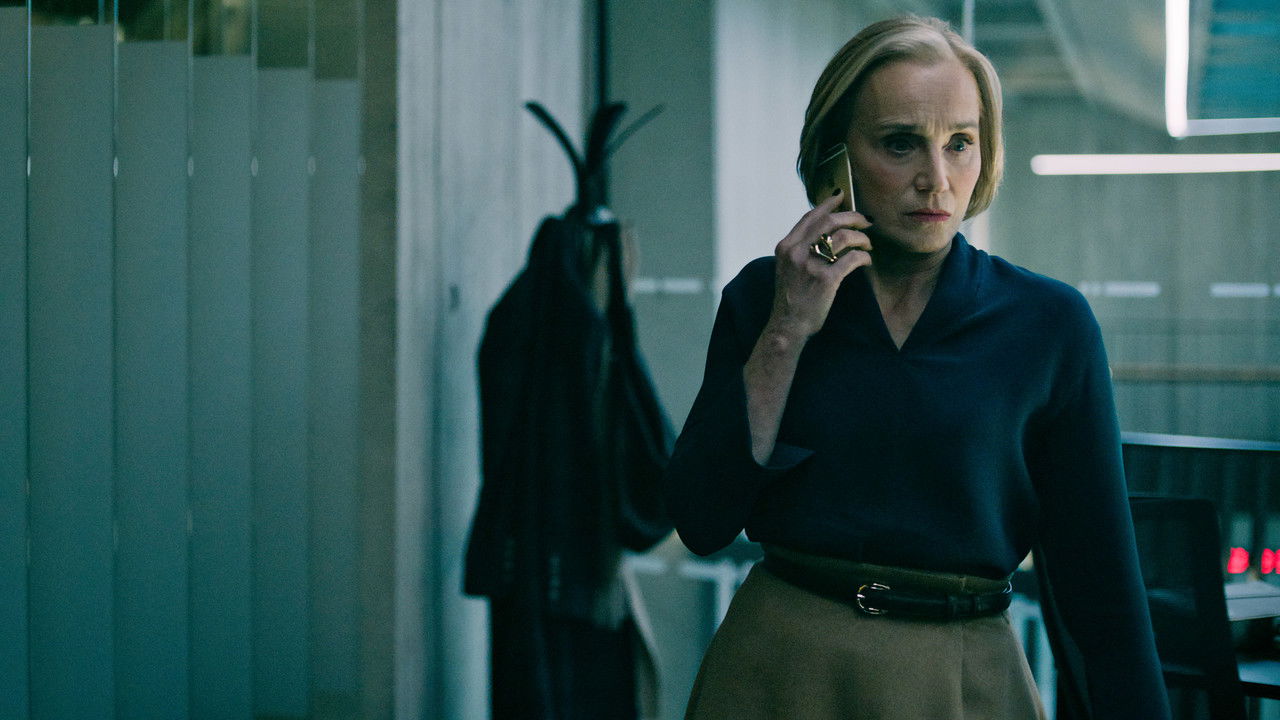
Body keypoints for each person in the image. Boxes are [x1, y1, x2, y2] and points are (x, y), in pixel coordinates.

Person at [663, 15, 1171, 720]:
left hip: (962, 675)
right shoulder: (766, 296)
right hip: (779, 666)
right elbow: (700, 519)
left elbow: (1100, 581)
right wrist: (788, 329)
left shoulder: (1049, 323)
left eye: (960, 143)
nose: (936, 179)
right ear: (836, 157)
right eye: (900, 143)